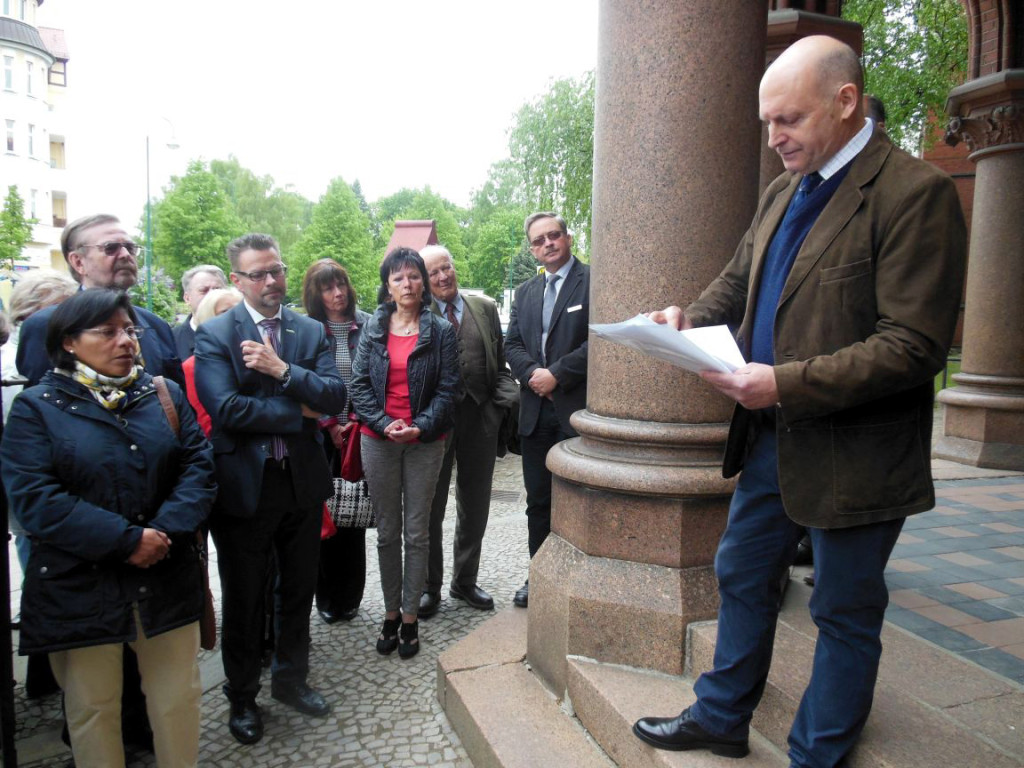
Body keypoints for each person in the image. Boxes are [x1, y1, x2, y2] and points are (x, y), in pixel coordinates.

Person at [632, 36, 966, 767]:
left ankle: (817, 754)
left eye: (788, 119)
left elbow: (913, 347)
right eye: (767, 122)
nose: (775, 137)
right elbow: (738, 281)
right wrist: (685, 316)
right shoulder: (785, 188)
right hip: (770, 441)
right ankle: (722, 716)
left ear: (846, 102)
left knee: (843, 609)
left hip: (859, 456)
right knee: (742, 575)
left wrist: (783, 381)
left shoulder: (916, 194)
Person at [0, 289, 216, 767]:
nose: (126, 342)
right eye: (108, 331)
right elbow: (36, 499)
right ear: (70, 342)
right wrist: (126, 541)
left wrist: (160, 534)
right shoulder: (37, 408)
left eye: (130, 330)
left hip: (164, 573)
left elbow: (198, 469)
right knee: (93, 709)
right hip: (80, 585)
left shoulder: (163, 394)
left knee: (178, 700)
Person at [194, 233, 346, 745]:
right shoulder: (216, 334)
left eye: (276, 270)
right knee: (244, 596)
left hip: (300, 484)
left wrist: (282, 370)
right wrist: (297, 410)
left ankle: (290, 680)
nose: (271, 281)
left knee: (297, 589)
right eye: (257, 274)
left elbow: (334, 395)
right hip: (243, 490)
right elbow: (226, 411)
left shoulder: (307, 330)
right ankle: (241, 696)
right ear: (236, 281)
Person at [349, 247, 459, 659]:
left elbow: (449, 389)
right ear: (388, 286)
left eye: (414, 276)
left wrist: (421, 425)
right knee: (387, 532)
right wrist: (382, 423)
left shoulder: (441, 331)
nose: (407, 284)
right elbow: (358, 386)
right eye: (398, 278)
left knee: (417, 531)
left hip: (425, 442)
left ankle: (411, 618)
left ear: (424, 282)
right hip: (378, 441)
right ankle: (390, 613)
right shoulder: (373, 329)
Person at [418, 244, 518, 617]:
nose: (443, 277)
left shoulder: (485, 308)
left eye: (447, 268)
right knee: (431, 508)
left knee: (475, 506)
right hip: (434, 425)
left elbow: (502, 365)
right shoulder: (417, 313)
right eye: (434, 273)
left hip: (480, 420)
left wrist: (499, 406)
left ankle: (464, 581)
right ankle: (430, 587)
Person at [504, 212, 589, 608]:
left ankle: (578, 577)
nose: (547, 244)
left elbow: (600, 341)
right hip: (535, 413)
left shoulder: (594, 282)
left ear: (567, 237)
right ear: (532, 248)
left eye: (553, 235)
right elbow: (512, 346)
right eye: (538, 241)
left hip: (575, 411)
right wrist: (535, 375)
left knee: (578, 499)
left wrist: (557, 374)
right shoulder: (524, 293)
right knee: (538, 501)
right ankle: (538, 575)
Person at [15, 214, 182, 388]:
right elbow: (40, 405)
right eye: (111, 248)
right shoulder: (45, 325)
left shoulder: (156, 325)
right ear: (78, 262)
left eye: (130, 247)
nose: (125, 255)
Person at [301, 259, 371, 624]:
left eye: (341, 285)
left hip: (360, 432)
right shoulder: (306, 329)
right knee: (324, 516)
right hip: (320, 436)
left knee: (354, 513)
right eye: (327, 288)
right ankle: (326, 596)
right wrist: (330, 425)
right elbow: (306, 381)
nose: (337, 293)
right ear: (315, 293)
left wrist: (357, 421)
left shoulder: (368, 323)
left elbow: (376, 376)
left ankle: (350, 596)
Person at [181, 287, 243, 437]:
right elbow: (203, 423)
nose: (235, 318)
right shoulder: (193, 366)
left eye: (240, 311)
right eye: (225, 312)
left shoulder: (257, 357)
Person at [173, 265, 228, 361]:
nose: (212, 295)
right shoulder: (172, 340)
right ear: (187, 298)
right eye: (203, 290)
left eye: (217, 289)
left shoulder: (244, 334)